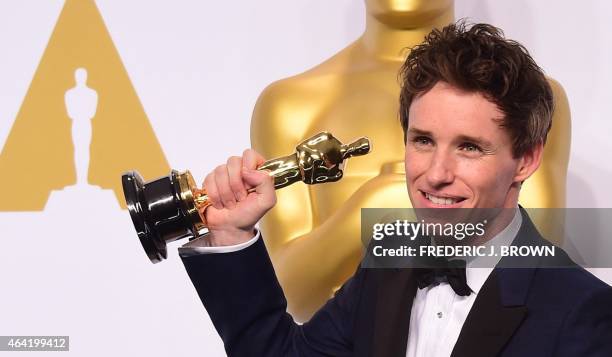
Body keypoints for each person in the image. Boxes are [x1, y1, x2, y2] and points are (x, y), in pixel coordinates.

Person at [179, 22, 612, 356]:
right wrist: (233, 237)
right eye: (423, 140)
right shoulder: (386, 265)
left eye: (469, 147)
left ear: (526, 159)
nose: (436, 173)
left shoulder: (583, 311)